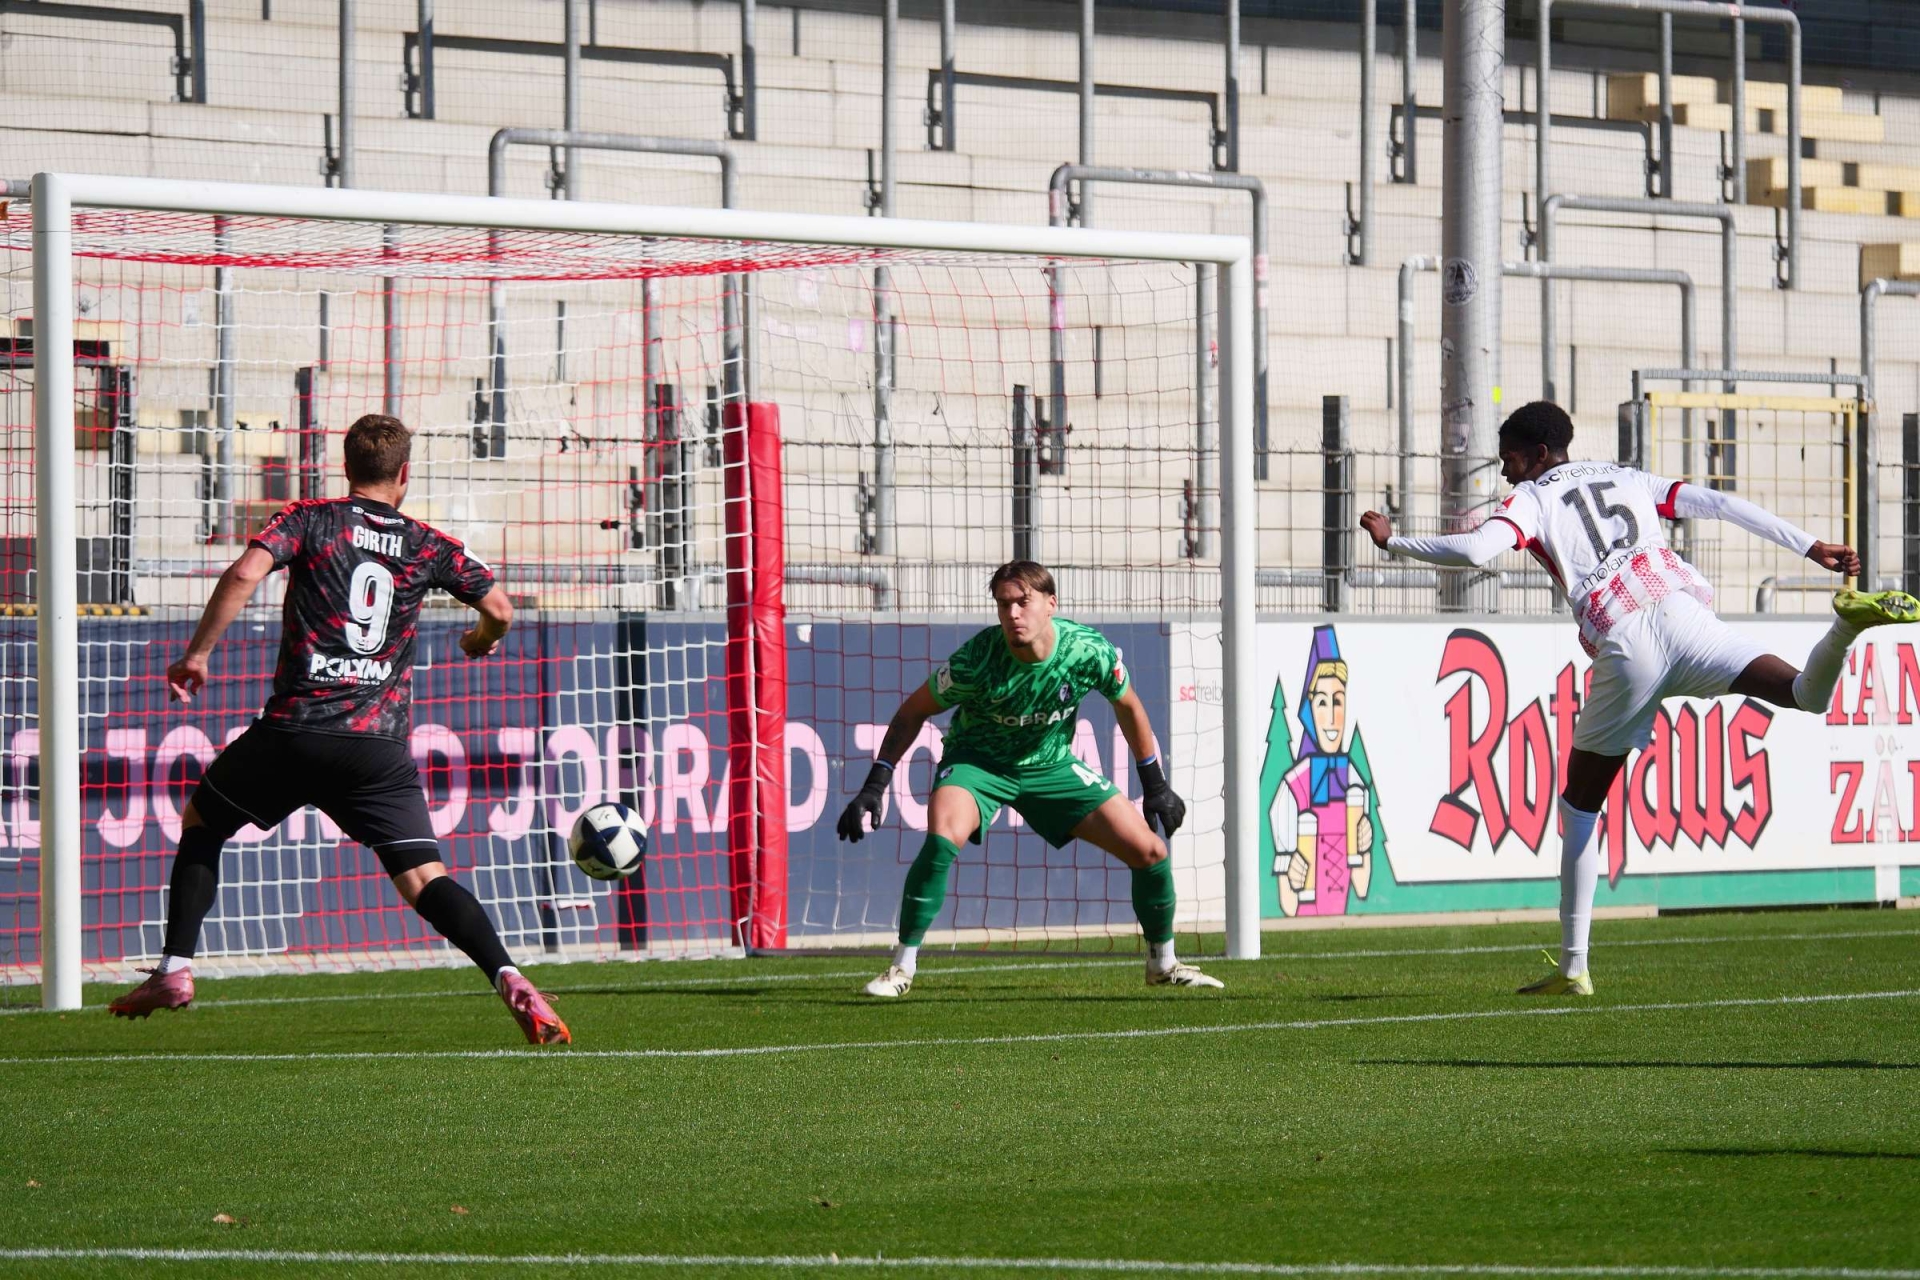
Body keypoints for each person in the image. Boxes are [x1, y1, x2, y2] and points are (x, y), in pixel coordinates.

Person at [1360, 400, 1918, 996]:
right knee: (1804, 694)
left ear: (1540, 455)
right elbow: (1719, 503)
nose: (1504, 471)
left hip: (1627, 640)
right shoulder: (1626, 477)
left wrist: (1396, 543)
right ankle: (1846, 626)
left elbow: (1476, 552)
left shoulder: (1532, 498)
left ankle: (1573, 967)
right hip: (1683, 615)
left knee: (1580, 805)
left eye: (1511, 459)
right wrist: (1810, 546)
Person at [107, 414, 570, 1045]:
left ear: (345, 466)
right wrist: (479, 639)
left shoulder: (310, 519)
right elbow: (500, 608)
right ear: (404, 474)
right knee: (424, 878)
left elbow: (243, 573)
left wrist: (198, 654)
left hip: (295, 732)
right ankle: (508, 974)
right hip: (375, 747)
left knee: (203, 824)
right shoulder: (426, 543)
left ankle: (175, 969)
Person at [837, 560, 1223, 997]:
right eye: (1004, 605)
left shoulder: (1087, 651)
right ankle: (901, 968)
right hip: (978, 764)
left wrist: (1154, 784)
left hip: (1051, 766)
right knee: (942, 839)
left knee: (1151, 851)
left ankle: (1163, 965)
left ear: (1051, 604)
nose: (1013, 614)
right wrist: (876, 784)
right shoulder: (977, 659)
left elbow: (1129, 706)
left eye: (1023, 602)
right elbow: (913, 711)